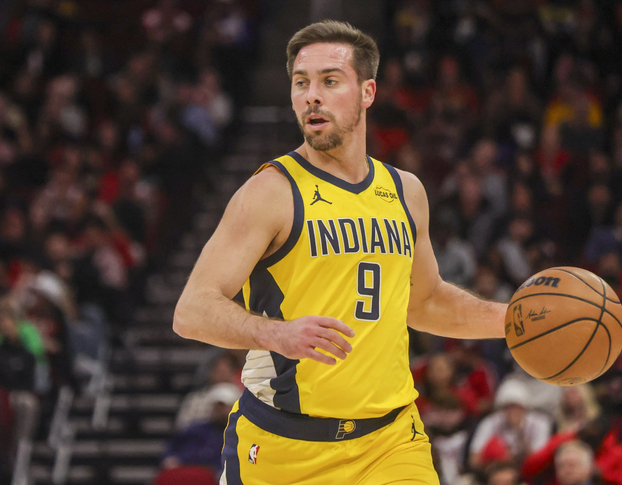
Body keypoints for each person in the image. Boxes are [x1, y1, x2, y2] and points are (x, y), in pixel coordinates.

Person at [173, 20, 508, 484]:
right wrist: (277, 334)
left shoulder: (405, 191)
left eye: (330, 81)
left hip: (390, 442)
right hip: (284, 447)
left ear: (367, 92)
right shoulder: (270, 192)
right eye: (301, 83)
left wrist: (516, 321)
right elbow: (191, 311)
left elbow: (426, 302)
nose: (312, 96)